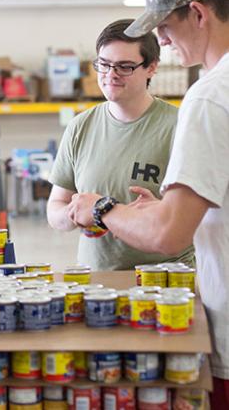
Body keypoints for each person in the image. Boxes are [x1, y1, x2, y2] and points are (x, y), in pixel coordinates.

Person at [67, 0, 229, 409]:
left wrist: (102, 208)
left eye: (163, 24)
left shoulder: (209, 96)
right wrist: (165, 208)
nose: (160, 37)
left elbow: (168, 233)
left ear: (197, 13)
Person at [47, 18, 194, 269]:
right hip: (96, 281)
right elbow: (56, 206)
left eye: (124, 67)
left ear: (151, 68)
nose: (111, 75)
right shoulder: (80, 127)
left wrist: (163, 212)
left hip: (165, 281)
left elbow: (204, 215)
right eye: (104, 65)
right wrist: (75, 214)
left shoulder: (181, 126)